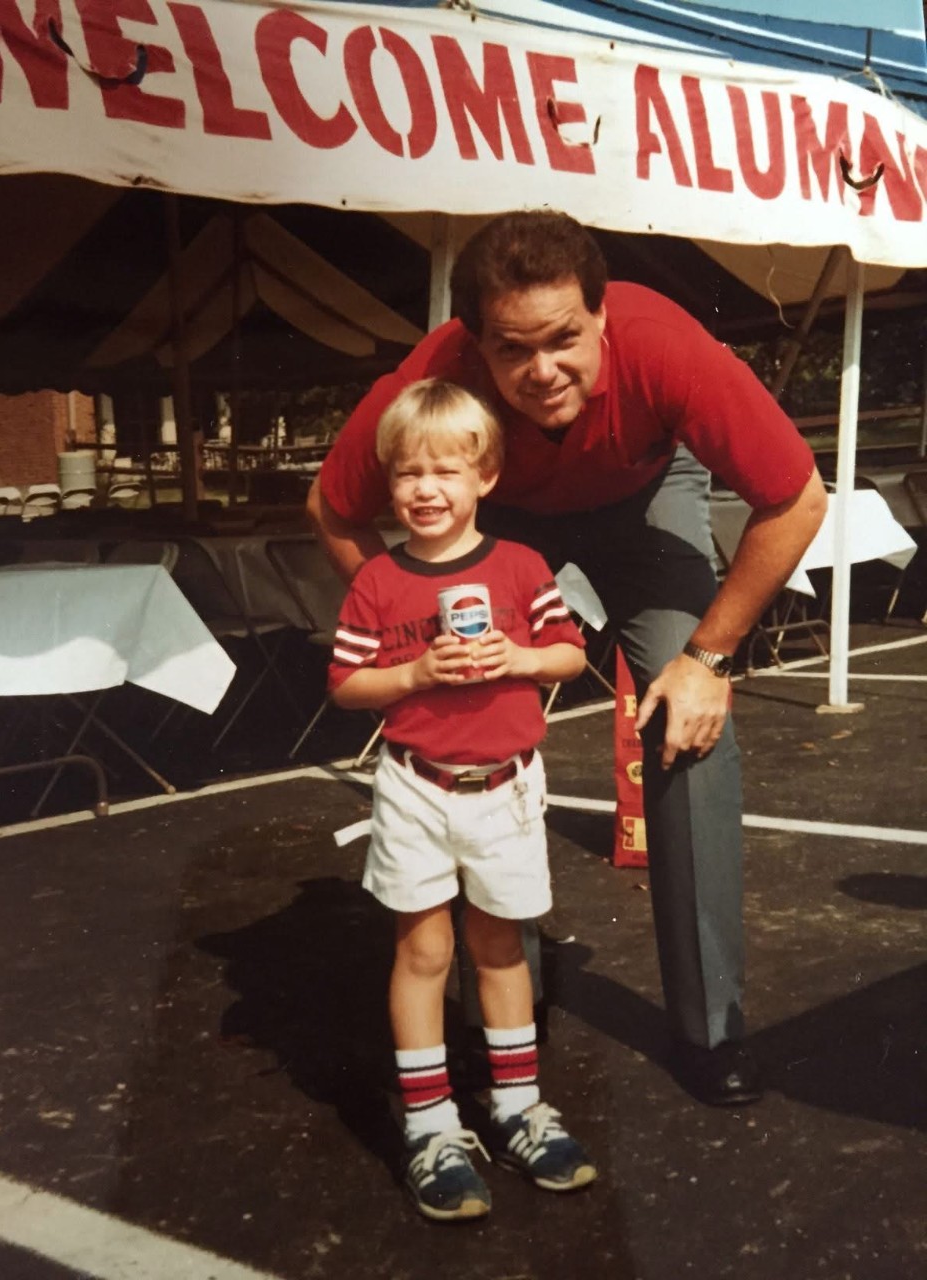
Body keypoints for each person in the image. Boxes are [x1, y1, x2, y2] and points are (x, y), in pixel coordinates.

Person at [309, 210, 828, 1108]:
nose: (544, 371)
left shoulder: (667, 345)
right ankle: (501, 1000)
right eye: (515, 350)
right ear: (476, 345)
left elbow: (798, 498)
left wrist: (710, 657)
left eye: (565, 340)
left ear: (602, 320)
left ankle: (710, 1028)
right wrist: (403, 625)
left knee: (685, 721)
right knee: (467, 713)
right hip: (502, 510)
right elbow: (333, 505)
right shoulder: (434, 370)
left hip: (643, 492)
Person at [327, 378, 596, 1222]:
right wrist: (413, 673)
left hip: (506, 791)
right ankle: (431, 1124)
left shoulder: (518, 566)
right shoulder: (377, 579)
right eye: (407, 473)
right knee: (423, 954)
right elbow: (345, 685)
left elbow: (568, 656)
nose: (425, 489)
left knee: (501, 948)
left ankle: (518, 1108)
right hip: (416, 788)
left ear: (485, 477)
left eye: (446, 469)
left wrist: (516, 658)